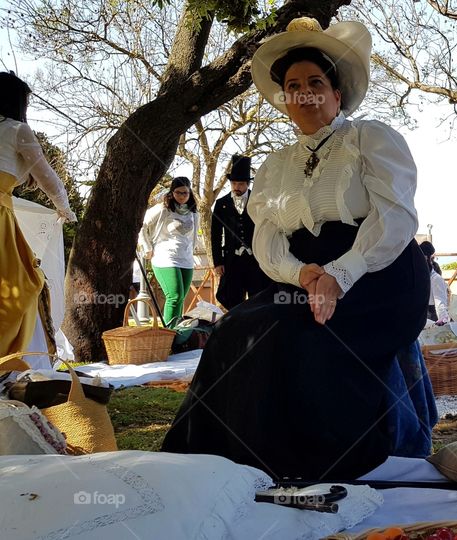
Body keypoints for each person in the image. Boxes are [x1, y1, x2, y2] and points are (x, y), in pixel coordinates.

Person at [161, 19, 429, 481]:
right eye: (292, 86)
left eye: (314, 83)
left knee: (294, 332)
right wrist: (302, 274)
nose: (303, 93)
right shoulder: (275, 165)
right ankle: (222, 465)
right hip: (303, 273)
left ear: (336, 94)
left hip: (377, 272)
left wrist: (340, 275)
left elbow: (396, 218)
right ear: (284, 99)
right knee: (235, 327)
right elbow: (266, 238)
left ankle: (315, 462)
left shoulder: (370, 138)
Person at [0, 71, 78, 358]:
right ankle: (12, 357)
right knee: (23, 285)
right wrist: (65, 209)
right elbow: (49, 179)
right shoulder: (17, 130)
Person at [211, 154, 270, 310]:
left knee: (258, 300)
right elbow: (215, 234)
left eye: (240, 184)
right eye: (234, 183)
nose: (237, 187)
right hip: (232, 260)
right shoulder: (221, 203)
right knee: (233, 300)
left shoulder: (259, 200)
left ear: (247, 184)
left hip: (255, 260)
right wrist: (218, 262)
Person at [139, 176, 198, 325]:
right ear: (172, 193)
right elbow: (142, 225)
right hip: (165, 258)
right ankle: (169, 334)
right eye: (179, 192)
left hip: (185, 259)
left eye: (186, 193)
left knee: (181, 299)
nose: (182, 196)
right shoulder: (162, 210)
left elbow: (194, 236)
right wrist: (147, 247)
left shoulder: (193, 213)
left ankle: (177, 334)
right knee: (174, 296)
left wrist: (193, 252)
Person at [419, 240, 450, 322]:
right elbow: (440, 302)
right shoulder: (435, 277)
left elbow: (439, 302)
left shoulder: (432, 276)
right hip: (428, 314)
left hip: (424, 313)